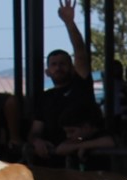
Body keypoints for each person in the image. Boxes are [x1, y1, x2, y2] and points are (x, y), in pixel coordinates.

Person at [26, 0, 95, 166]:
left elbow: (80, 53)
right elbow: (35, 131)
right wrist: (37, 142)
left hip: (81, 163)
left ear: (71, 68)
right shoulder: (44, 98)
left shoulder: (81, 86)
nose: (58, 68)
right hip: (50, 163)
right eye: (54, 65)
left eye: (63, 64)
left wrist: (69, 23)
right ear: (47, 71)